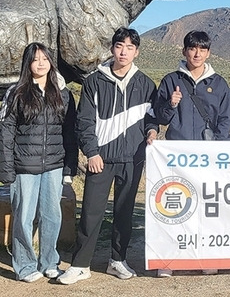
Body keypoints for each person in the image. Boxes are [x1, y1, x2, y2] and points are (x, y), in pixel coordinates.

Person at [57, 27, 158, 285]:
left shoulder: (146, 84)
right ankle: (80, 265)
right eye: (119, 46)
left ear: (137, 52)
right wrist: (91, 152)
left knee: (123, 213)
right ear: (112, 48)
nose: (123, 52)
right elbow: (84, 122)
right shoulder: (94, 81)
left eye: (129, 47)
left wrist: (152, 130)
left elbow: (151, 119)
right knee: (91, 212)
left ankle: (117, 260)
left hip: (132, 159)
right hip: (100, 159)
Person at [152, 30, 230, 277]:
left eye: (202, 49)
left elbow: (226, 118)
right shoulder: (170, 80)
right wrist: (171, 103)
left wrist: (216, 146)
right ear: (184, 50)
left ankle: (204, 257)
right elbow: (160, 117)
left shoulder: (218, 83)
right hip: (177, 155)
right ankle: (169, 260)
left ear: (208, 52)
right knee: (174, 206)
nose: (197, 54)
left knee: (206, 208)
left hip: (207, 156)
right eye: (193, 48)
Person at [0, 43, 78, 283]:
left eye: (45, 58)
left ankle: (49, 262)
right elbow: (6, 132)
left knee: (52, 215)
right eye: (36, 59)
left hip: (54, 165)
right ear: (28, 64)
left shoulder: (63, 93)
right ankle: (24, 266)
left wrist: (69, 167)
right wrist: (6, 168)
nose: (41, 63)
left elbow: (69, 133)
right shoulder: (16, 93)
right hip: (24, 166)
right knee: (23, 217)